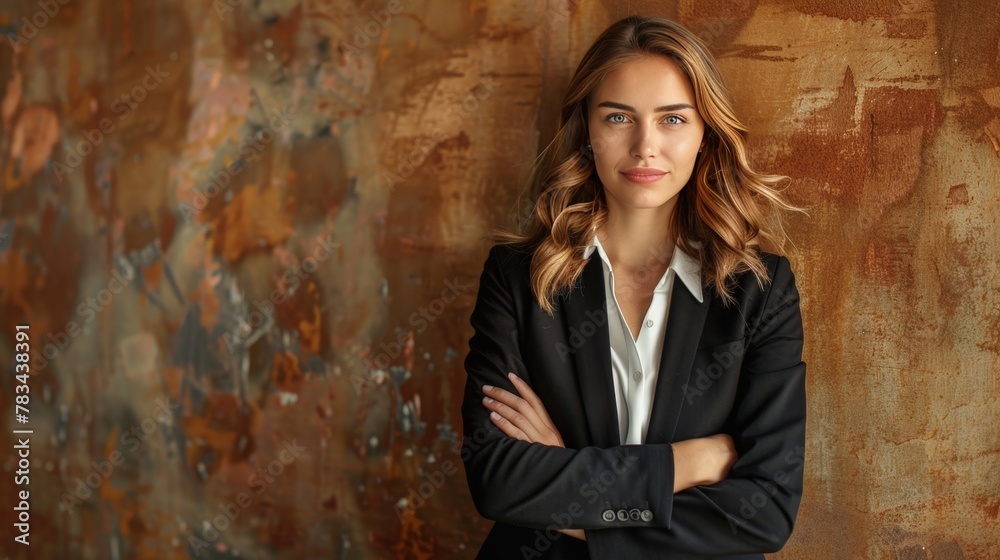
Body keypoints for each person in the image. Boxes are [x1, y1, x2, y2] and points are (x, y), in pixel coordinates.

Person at [460, 15, 806, 560]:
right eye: (619, 117)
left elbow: (765, 512)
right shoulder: (518, 276)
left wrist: (568, 486)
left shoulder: (760, 291)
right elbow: (498, 479)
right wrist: (685, 465)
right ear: (588, 131)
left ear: (704, 135)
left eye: (672, 119)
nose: (645, 146)